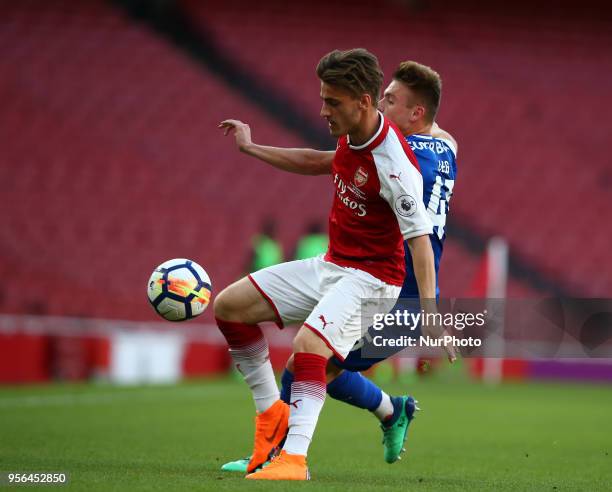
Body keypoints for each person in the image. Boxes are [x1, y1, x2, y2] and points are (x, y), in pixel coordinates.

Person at [215, 49, 450, 481]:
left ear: (362, 100)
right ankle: (271, 423)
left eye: (332, 102)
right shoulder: (352, 135)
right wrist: (251, 148)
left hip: (373, 280)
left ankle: (294, 461)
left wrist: (431, 314)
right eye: (323, 99)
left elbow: (419, 239)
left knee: (309, 349)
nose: (323, 110)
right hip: (334, 265)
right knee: (229, 306)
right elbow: (317, 160)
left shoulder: (396, 166)